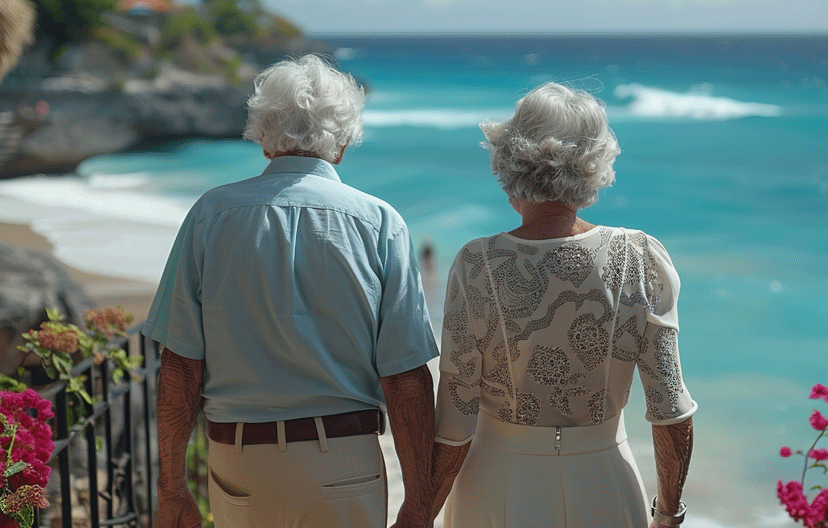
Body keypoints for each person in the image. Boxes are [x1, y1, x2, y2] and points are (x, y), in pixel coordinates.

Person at [144, 54, 439, 528]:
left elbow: (180, 364)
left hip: (239, 461)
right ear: (342, 144)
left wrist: (172, 488)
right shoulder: (380, 223)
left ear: (263, 139)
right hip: (346, 461)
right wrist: (420, 503)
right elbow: (406, 378)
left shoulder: (210, 215)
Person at [427, 82, 697, 528]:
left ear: (511, 160)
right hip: (605, 477)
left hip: (498, 481)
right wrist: (668, 512)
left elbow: (456, 416)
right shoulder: (640, 255)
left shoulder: (478, 263)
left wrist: (419, 512)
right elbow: (671, 408)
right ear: (594, 164)